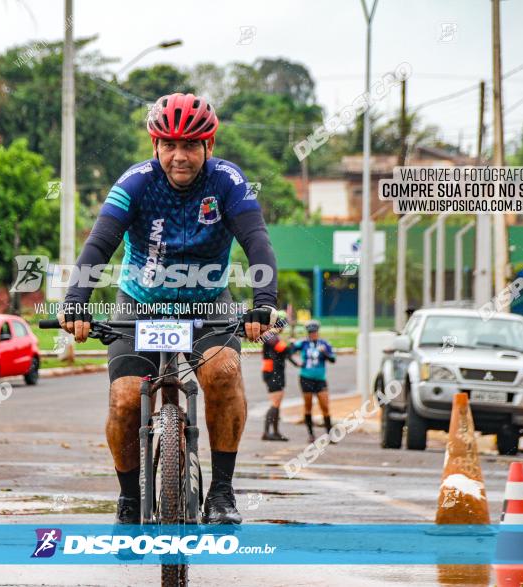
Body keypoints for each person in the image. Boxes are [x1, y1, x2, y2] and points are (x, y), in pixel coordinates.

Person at [57, 93, 279, 525]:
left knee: (224, 374)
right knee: (124, 400)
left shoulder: (229, 182)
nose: (180, 156)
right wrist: (75, 303)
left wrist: (264, 304)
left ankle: (221, 492)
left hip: (207, 304)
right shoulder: (134, 183)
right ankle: (127, 497)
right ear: (154, 145)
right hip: (141, 304)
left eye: (191, 145)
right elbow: (100, 243)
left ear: (209, 147)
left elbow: (257, 241)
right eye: (169, 145)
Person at [292, 320, 336, 443]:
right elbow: (289, 351)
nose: (313, 334)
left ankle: (329, 434)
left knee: (325, 406)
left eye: (315, 332)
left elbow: (333, 359)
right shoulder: (303, 343)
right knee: (308, 406)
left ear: (318, 332)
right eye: (310, 332)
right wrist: (296, 362)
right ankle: (311, 435)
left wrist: (325, 353)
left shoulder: (325, 344)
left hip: (320, 379)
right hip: (306, 378)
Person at [261, 311, 296, 441]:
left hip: (277, 372)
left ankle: (275, 432)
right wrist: (292, 343)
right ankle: (266, 432)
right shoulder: (270, 335)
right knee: (275, 403)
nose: (283, 329)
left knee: (277, 403)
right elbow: (283, 349)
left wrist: (296, 362)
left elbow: (285, 354)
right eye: (282, 325)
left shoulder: (273, 336)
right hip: (272, 373)